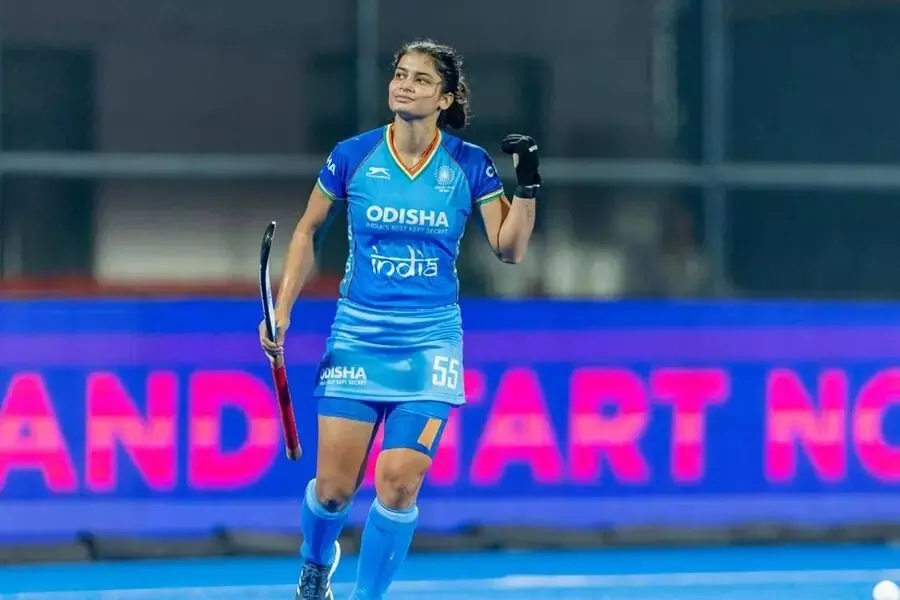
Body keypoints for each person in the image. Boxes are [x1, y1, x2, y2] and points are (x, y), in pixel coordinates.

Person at [259, 38, 541, 600]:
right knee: (333, 492)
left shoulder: (469, 164)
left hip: (431, 343)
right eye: (400, 75)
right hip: (359, 336)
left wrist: (527, 183)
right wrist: (282, 308)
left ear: (446, 98)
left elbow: (509, 249)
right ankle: (316, 563)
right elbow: (307, 231)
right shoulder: (353, 155)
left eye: (421, 79)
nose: (405, 86)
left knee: (398, 484)